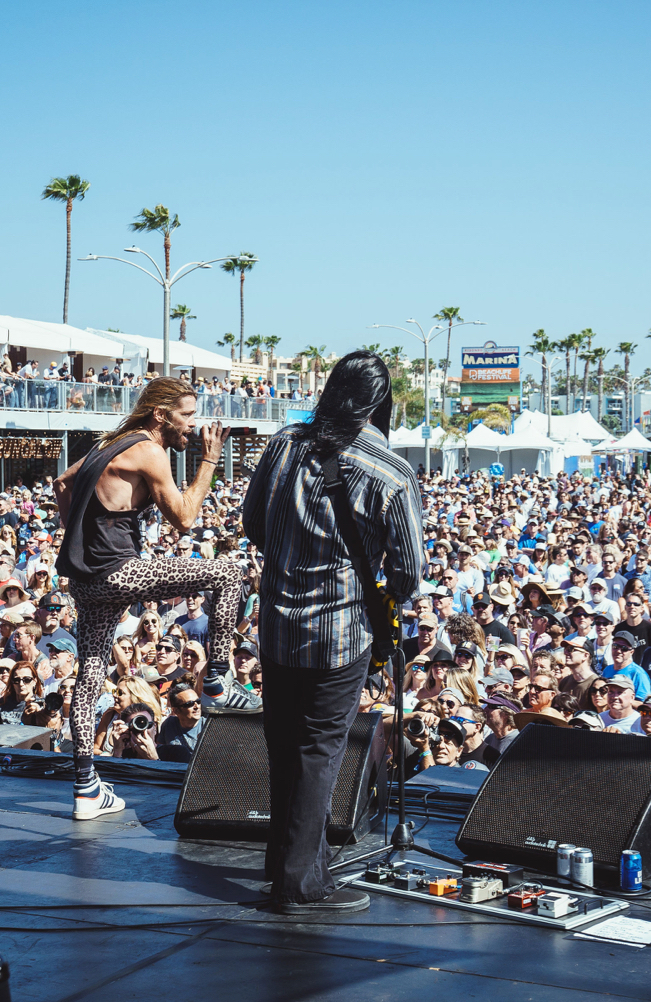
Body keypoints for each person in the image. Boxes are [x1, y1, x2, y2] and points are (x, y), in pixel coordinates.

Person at [241, 351, 424, 915]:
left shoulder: (283, 444)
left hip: (276, 623)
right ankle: (300, 884)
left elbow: (252, 523)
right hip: (339, 633)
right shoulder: (390, 472)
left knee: (284, 745)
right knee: (319, 751)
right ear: (378, 401)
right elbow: (409, 572)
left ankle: (288, 864)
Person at [53, 376, 245, 822]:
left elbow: (63, 483)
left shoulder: (115, 443)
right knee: (228, 572)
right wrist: (210, 460)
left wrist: (83, 538)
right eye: (188, 416)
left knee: (91, 674)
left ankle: (86, 789)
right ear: (162, 415)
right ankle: (216, 678)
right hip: (119, 572)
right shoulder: (150, 450)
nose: (194, 428)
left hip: (86, 580)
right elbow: (184, 519)